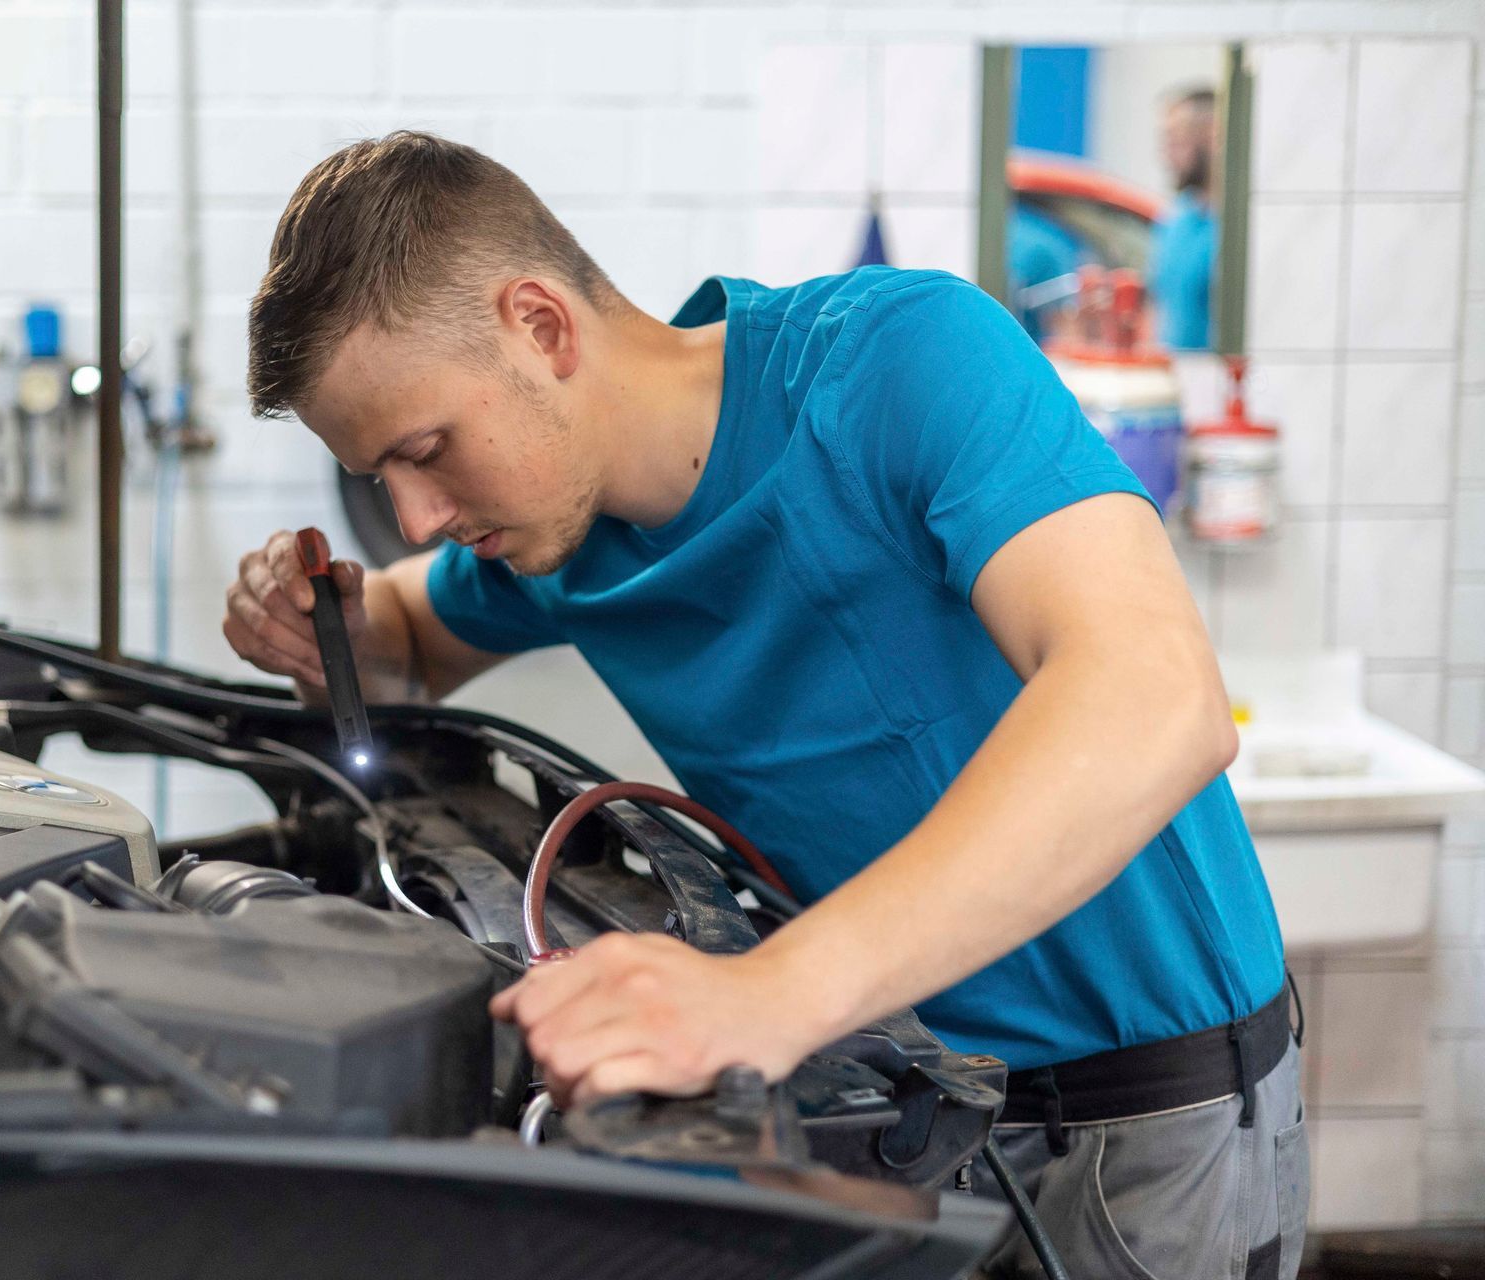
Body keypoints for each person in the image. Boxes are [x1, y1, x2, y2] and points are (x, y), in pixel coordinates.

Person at [224, 132, 1306, 1278]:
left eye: (427, 450)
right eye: (379, 477)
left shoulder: (898, 361)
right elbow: (401, 643)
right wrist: (310, 619)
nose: (418, 516)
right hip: (902, 1110)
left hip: (1142, 1124)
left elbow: (1155, 692)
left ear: (540, 327)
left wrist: (769, 995)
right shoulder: (561, 537)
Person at [1150, 85, 1220, 350]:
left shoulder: (1235, 229)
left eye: (1175, 140)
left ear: (1213, 137)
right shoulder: (1174, 221)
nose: (1166, 154)